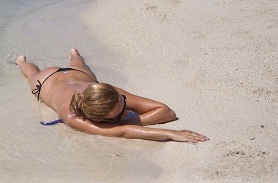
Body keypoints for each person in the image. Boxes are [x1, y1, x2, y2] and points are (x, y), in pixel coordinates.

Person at [16, 48, 208, 143]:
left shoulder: (111, 94)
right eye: (119, 114)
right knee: (31, 73)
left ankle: (74, 54)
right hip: (46, 82)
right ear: (97, 118)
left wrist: (118, 122)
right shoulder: (70, 116)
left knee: (79, 63)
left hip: (77, 74)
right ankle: (21, 61)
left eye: (123, 105)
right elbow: (123, 132)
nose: (126, 112)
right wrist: (169, 133)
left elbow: (167, 112)